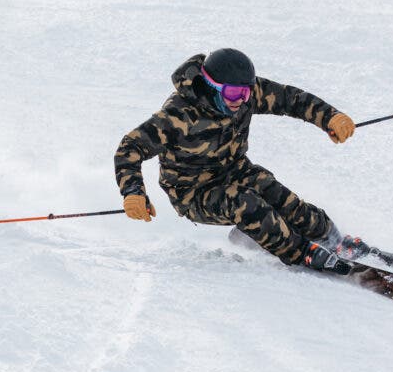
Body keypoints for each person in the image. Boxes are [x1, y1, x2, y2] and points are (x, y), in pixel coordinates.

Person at [114, 48, 359, 272]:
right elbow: (130, 147)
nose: (241, 100)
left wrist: (329, 117)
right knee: (247, 204)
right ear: (211, 86)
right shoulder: (178, 115)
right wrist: (133, 192)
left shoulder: (243, 98)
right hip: (193, 192)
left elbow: (290, 98)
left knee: (279, 195)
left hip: (235, 170)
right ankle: (301, 252)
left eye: (246, 92)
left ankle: (331, 238)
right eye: (233, 93)